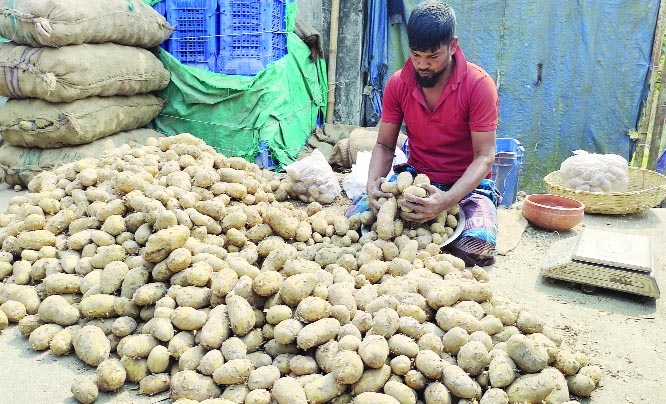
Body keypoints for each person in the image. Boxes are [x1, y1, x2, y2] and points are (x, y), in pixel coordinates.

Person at [366, 0, 500, 266]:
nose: (422, 65)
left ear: (452, 46)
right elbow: (384, 145)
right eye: (416, 55)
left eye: (432, 57)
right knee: (359, 220)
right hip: (416, 181)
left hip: (467, 187)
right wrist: (373, 186)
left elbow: (485, 156)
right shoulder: (397, 84)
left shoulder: (478, 85)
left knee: (478, 246)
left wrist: (447, 200)